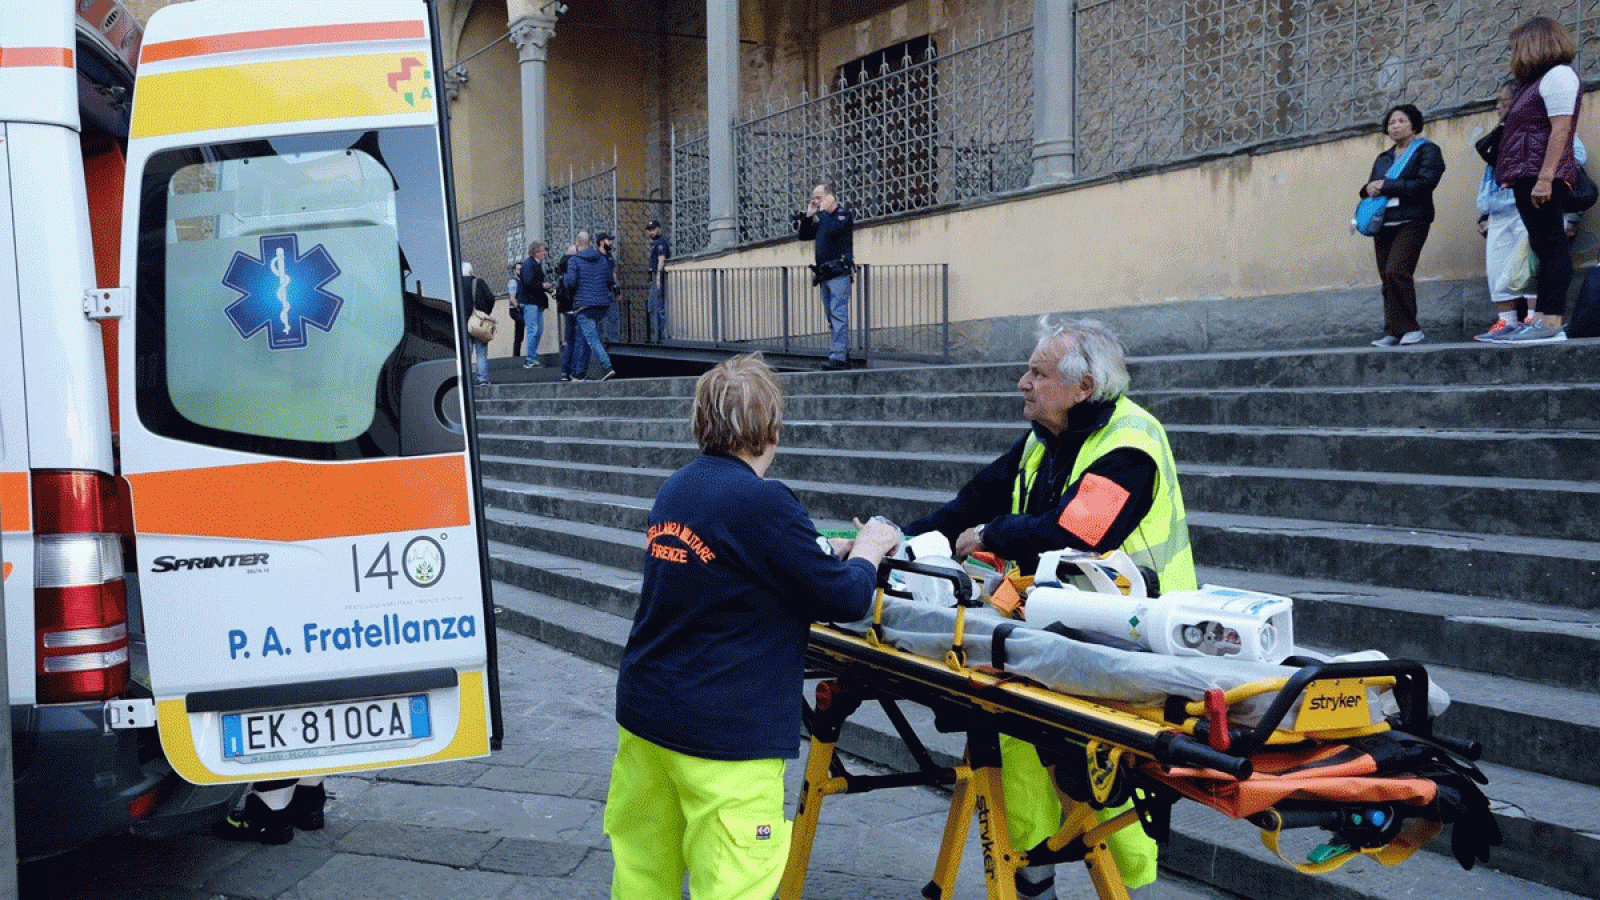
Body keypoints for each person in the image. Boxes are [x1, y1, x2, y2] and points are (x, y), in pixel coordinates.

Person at [905, 318, 1194, 900]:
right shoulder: (1045, 437)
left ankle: (1124, 885)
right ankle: (1032, 879)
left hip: (1134, 642)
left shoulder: (1129, 445)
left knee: (1107, 776)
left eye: (1037, 373)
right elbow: (969, 502)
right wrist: (897, 541)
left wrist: (990, 534)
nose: (1022, 383)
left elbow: (1076, 532)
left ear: (1083, 386)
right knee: (1015, 749)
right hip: (1055, 634)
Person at [603, 353, 901, 900]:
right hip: (724, 733)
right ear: (773, 430)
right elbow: (846, 597)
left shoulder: (679, 487)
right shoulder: (763, 500)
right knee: (735, 883)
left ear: (702, 422)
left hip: (647, 713)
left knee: (643, 875)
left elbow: (742, 560)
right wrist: (871, 549)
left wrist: (825, 550)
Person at [1487, 16, 1583, 345]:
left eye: (1516, 46)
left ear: (1533, 44)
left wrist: (1545, 178)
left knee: (1552, 244)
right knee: (1542, 245)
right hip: (1528, 175)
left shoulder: (1559, 75)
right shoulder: (1535, 83)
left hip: (1542, 175)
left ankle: (1551, 321)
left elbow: (1561, 129)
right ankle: (1540, 319)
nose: (1514, 52)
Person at [1361, 104, 1446, 347]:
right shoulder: (1383, 157)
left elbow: (1425, 183)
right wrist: (1368, 189)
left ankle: (1411, 329)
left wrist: (1386, 186)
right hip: (1384, 223)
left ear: (1414, 125)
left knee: (1397, 270)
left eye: (1401, 121)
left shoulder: (1427, 151)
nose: (1395, 126)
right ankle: (1393, 331)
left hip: (1412, 219)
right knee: (1386, 278)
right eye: (1391, 122)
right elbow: (1372, 185)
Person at [1476, 80, 1539, 340]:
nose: (1499, 107)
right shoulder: (1500, 132)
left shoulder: (1539, 127)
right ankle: (1507, 322)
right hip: (1498, 209)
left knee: (1527, 262)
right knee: (1498, 265)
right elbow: (1488, 158)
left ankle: (1534, 319)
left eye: (1505, 101)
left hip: (1527, 204)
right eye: (1498, 102)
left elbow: (1575, 154)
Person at [795, 181, 854, 370]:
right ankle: (842, 352)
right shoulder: (823, 219)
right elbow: (803, 235)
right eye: (814, 198)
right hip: (824, 275)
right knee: (832, 316)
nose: (815, 201)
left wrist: (823, 212)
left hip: (838, 273)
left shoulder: (842, 215)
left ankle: (838, 357)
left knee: (838, 314)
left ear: (831, 197)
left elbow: (833, 230)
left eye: (819, 197)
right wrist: (808, 216)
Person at [563, 230, 617, 381]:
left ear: (577, 244)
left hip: (584, 305)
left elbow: (571, 283)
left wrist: (566, 279)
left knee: (592, 338)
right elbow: (608, 279)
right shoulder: (602, 259)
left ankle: (607, 367)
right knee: (585, 337)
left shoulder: (574, 261)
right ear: (591, 243)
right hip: (602, 305)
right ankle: (579, 372)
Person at [213, 777, 327, 844]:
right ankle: (310, 811)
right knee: (306, 743)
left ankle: (271, 821)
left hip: (271, 813)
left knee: (279, 744)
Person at [460, 261, 495, 385]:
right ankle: (482, 379)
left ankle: (466, 381)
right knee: (481, 352)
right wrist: (485, 313)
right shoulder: (478, 282)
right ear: (471, 271)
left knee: (466, 353)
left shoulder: (457, 284)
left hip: (464, 325)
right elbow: (490, 298)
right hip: (479, 323)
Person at [518, 241, 552, 367]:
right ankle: (530, 359)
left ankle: (532, 356)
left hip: (536, 302)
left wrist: (544, 287)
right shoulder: (528, 264)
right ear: (536, 252)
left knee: (538, 330)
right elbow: (528, 282)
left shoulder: (536, 264)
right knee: (534, 329)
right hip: (530, 302)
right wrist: (543, 285)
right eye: (543, 250)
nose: (545, 253)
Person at [645, 219, 670, 342]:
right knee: (653, 307)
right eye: (649, 230)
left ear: (659, 229)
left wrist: (659, 279)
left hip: (658, 278)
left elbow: (661, 261)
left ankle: (661, 337)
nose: (651, 232)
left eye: (653, 229)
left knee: (658, 307)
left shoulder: (661, 243)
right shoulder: (656, 243)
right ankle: (658, 336)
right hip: (655, 278)